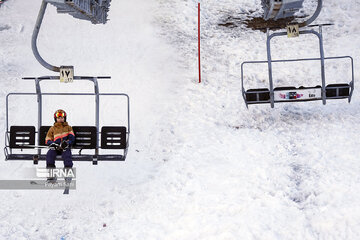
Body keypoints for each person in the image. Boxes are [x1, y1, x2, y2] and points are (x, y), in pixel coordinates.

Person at [45, 109, 75, 179]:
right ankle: (51, 175)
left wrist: (67, 143)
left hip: (64, 147)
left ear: (64, 118)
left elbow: (72, 138)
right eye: (59, 118)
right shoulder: (52, 129)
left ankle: (68, 174)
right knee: (49, 155)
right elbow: (47, 139)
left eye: (62, 118)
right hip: (56, 147)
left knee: (67, 156)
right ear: (56, 119)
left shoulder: (68, 128)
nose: (60, 119)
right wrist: (52, 144)